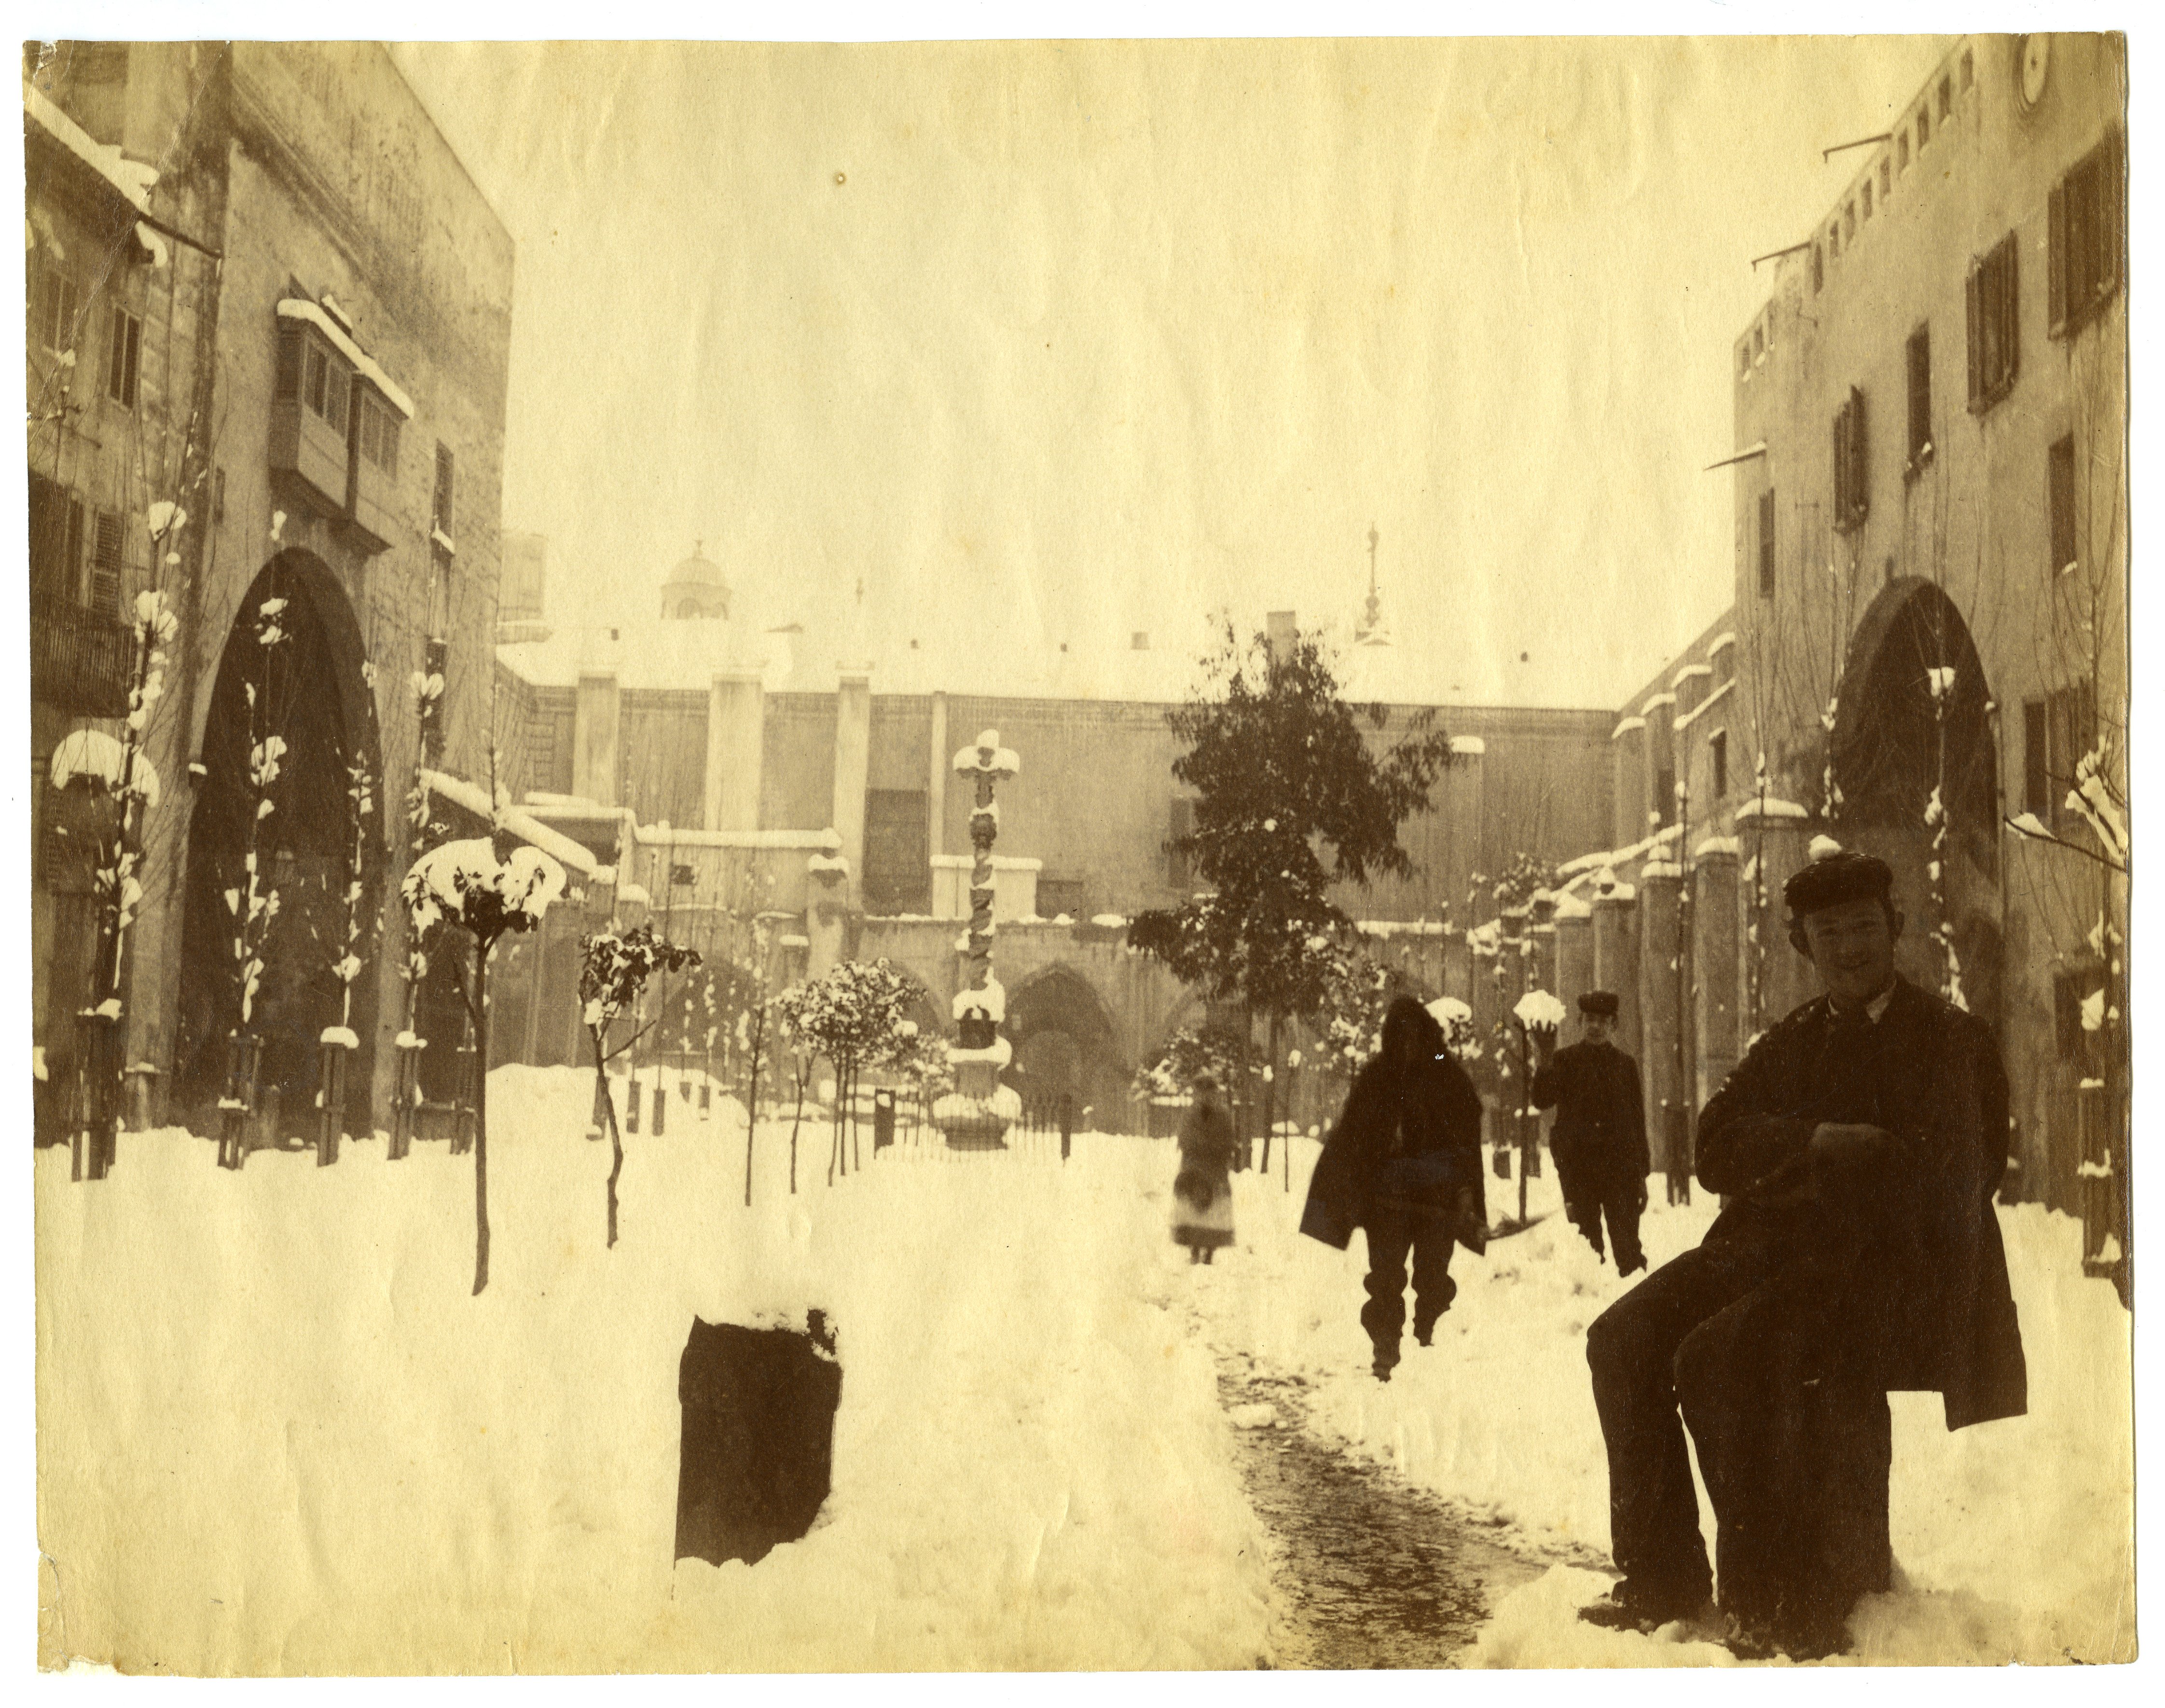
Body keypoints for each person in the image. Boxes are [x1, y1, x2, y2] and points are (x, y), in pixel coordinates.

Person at [1579, 851, 2027, 1658]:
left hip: (1898, 1273)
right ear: (1801, 943)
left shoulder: (1948, 1039)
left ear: (1894, 928)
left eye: (1862, 927)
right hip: (1771, 1255)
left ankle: (1774, 1596)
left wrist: (1800, 1171)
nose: (1848, 948)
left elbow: (1954, 1175)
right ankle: (1661, 1579)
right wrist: (1817, 1144)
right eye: (1827, 933)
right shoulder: (1794, 1040)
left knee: (1720, 1353)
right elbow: (1712, 1141)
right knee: (1621, 1337)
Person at [1300, 996, 1487, 1381]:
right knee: (1385, 1278)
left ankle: (1427, 1331)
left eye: (1416, 1038)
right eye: (1400, 1039)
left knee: (1433, 1277)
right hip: (1387, 1200)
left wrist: (1465, 1191)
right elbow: (1352, 1135)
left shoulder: (1443, 1070)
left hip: (1437, 1199)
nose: (1409, 1048)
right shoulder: (1378, 1075)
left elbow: (1467, 1123)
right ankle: (1385, 1345)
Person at [1530, 991, 1649, 1274]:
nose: (1595, 1026)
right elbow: (1542, 1100)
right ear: (1581, 1022)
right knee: (1586, 1252)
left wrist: (1642, 1176)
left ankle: (1633, 1312)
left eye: (1603, 1021)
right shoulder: (1564, 1061)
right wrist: (1544, 1063)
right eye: (1590, 1020)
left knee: (1629, 1251)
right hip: (1579, 1171)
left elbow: (1637, 1123)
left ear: (1614, 1025)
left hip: (1619, 1172)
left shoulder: (1625, 1067)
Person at [1170, 1071, 1238, 1264]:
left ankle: (1209, 1250)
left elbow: (1228, 1141)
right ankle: (1194, 1247)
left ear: (1215, 1094)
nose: (1205, 1097)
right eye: (1201, 1092)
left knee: (1213, 1213)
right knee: (1193, 1210)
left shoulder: (1224, 1116)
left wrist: (1214, 1150)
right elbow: (1184, 1140)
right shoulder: (1190, 1115)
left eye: (1209, 1092)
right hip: (1194, 1170)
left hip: (1215, 1171)